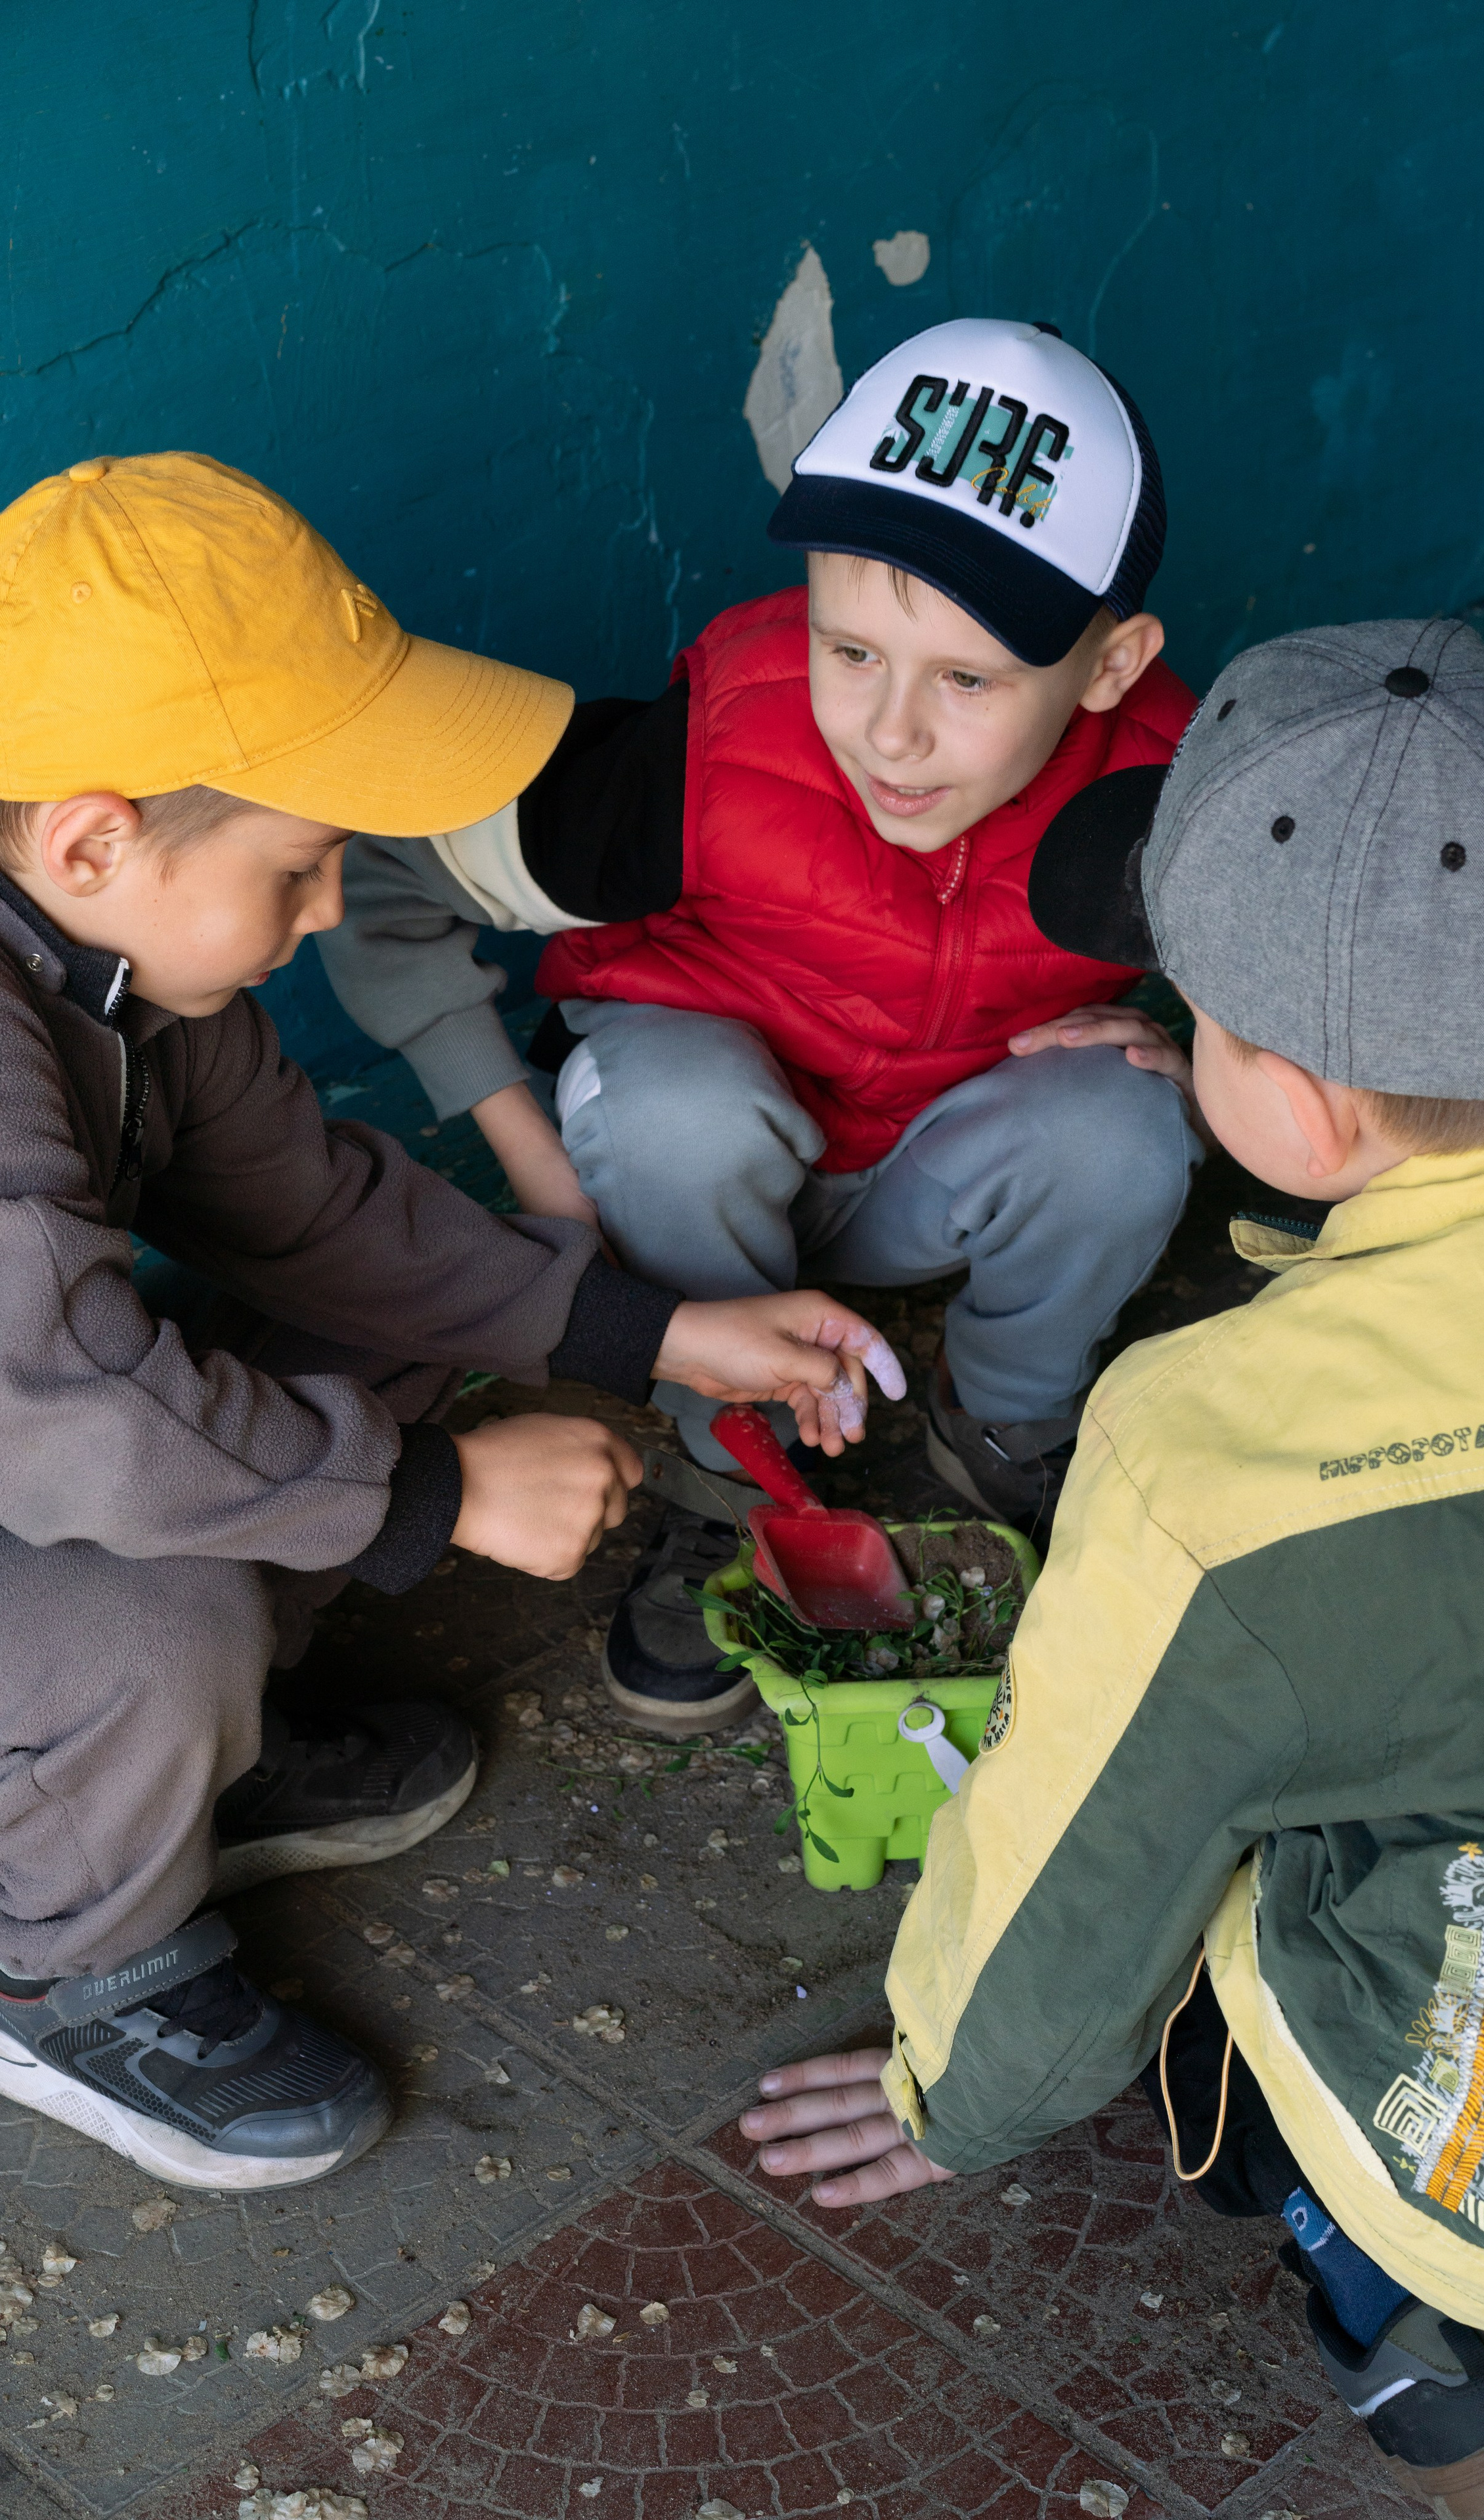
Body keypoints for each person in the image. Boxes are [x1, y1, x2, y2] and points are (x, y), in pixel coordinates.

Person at [737, 619, 1484, 2518]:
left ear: (1308, 1112)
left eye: (1206, 1020)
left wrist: (949, 2089)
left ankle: (1416, 2302)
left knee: (1212, 1806)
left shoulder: (1222, 1450)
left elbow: (1071, 1874)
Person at [0, 450, 900, 2193]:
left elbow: (322, 1218)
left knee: (395, 1347)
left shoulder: (115, 960)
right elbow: (81, 1404)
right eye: (304, 864)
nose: (332, 908)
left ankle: (168, 1773)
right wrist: (439, 1497)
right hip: (39, 1414)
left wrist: (657, 1328)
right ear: (97, 835)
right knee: (155, 1609)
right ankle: (61, 1958)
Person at [318, 317, 1203, 1738]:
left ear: (1108, 666)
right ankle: (721, 1476)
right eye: (850, 647)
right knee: (677, 1102)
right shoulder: (712, 746)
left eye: (965, 680)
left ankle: (1003, 1435)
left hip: (934, 1165)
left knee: (1122, 1118)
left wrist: (1201, 1052)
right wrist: (534, 1168)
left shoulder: (1160, 793)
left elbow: (1306, 969)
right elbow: (379, 879)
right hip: (689, 1192)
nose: (890, 732)